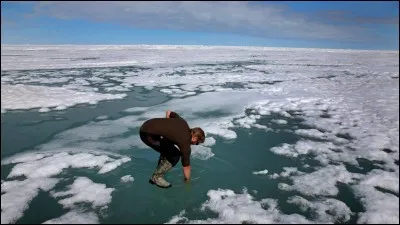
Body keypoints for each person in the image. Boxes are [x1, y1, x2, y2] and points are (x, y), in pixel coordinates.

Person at [139, 110, 206, 188]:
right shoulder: (185, 143)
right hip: (148, 135)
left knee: (168, 145)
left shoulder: (183, 122)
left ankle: (159, 171)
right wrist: (187, 181)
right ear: (195, 138)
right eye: (197, 143)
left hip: (146, 125)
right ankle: (156, 177)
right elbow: (186, 167)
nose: (195, 144)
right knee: (175, 155)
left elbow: (169, 112)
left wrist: (166, 127)